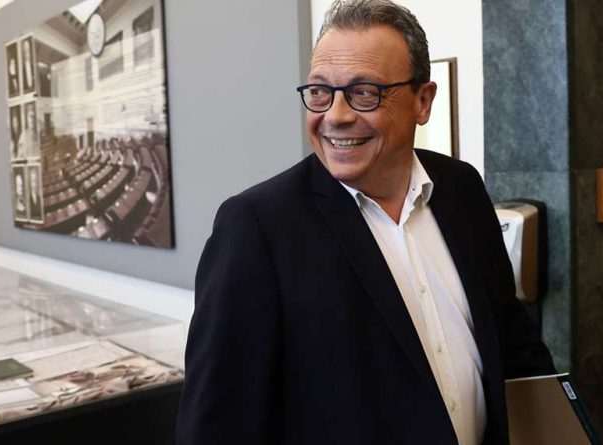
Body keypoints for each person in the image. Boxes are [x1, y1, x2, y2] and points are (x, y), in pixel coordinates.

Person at [176, 1, 554, 444]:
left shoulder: (461, 188)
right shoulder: (256, 228)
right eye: (320, 91)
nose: (336, 115)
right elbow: (218, 424)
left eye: (364, 92)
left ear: (423, 101)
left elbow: (512, 343)